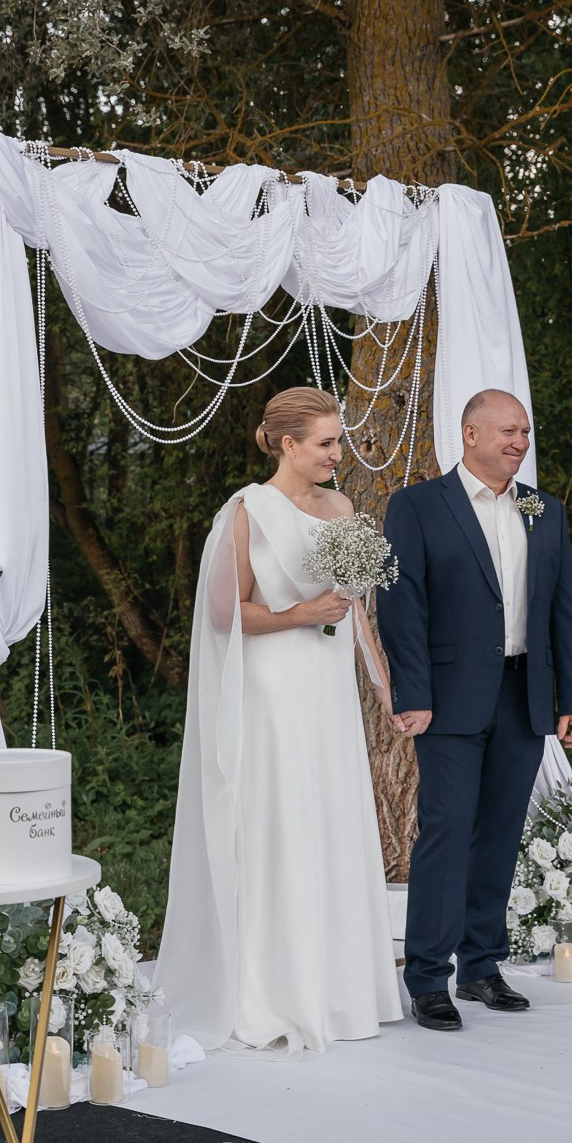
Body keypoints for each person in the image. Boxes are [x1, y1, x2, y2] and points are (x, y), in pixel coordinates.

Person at [155, 387, 402, 1052]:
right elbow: (222, 614)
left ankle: (339, 989)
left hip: (327, 689)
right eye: (325, 442)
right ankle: (277, 990)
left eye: (338, 440)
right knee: (283, 821)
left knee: (329, 818)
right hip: (273, 689)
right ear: (287, 445)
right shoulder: (246, 513)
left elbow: (353, 607)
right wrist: (299, 614)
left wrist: (383, 686)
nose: (337, 453)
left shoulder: (342, 508)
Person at [377, 389, 572, 1031]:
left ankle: (480, 966)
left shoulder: (543, 510)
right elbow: (401, 605)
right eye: (508, 431)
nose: (520, 442)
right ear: (470, 434)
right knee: (446, 831)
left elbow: (566, 609)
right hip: (447, 699)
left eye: (525, 432)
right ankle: (427, 978)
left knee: (500, 833)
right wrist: (412, 693)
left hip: (524, 694)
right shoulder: (418, 506)